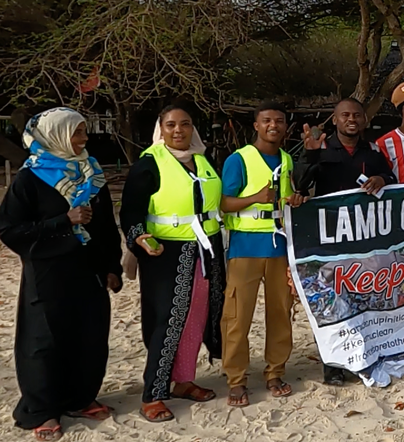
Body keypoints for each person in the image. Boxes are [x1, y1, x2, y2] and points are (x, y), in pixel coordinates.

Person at [0, 108, 122, 441]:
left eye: (83, 131)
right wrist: (63, 221)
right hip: (48, 273)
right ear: (55, 135)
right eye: (76, 132)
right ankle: (42, 410)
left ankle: (80, 398)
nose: (84, 138)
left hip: (90, 270)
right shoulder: (30, 178)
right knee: (44, 341)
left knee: (89, 336)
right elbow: (10, 230)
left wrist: (112, 266)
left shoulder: (91, 172)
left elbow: (106, 225)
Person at [119, 105, 225, 422]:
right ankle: (153, 394)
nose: (178, 130)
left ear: (193, 128)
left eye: (185, 124)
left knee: (197, 316)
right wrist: (138, 237)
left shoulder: (204, 161)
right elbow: (131, 210)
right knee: (167, 320)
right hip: (165, 252)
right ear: (161, 129)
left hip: (206, 249)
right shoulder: (149, 165)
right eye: (171, 125)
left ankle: (184, 380)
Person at [295, 97, 397, 385]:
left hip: (365, 238)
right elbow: (299, 184)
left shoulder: (372, 151)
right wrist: (309, 154)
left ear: (364, 120)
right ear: (335, 119)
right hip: (331, 239)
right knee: (334, 301)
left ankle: (361, 358)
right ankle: (333, 367)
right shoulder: (321, 149)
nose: (351, 120)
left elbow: (391, 177)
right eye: (345, 115)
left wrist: (381, 179)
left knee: (363, 298)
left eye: (356, 115)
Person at [220, 101, 305, 406]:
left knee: (281, 312)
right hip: (245, 247)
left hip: (279, 245)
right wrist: (255, 197)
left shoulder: (287, 159)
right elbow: (223, 203)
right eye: (267, 120)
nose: (273, 126)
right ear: (256, 125)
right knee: (238, 316)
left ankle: (275, 372)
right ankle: (236, 379)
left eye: (279, 121)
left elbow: (286, 199)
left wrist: (294, 200)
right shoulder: (239, 159)